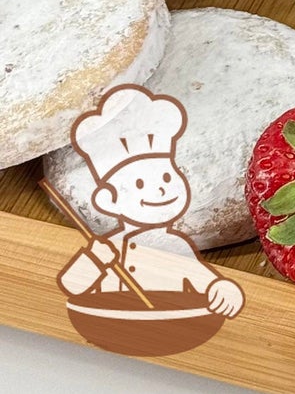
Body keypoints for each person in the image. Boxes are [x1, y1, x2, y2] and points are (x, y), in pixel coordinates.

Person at [56, 85, 244, 317]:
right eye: (139, 184)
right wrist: (94, 259)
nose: (161, 190)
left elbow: (205, 280)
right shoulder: (110, 246)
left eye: (167, 177)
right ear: (108, 201)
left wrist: (222, 289)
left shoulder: (177, 244)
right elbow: (72, 284)